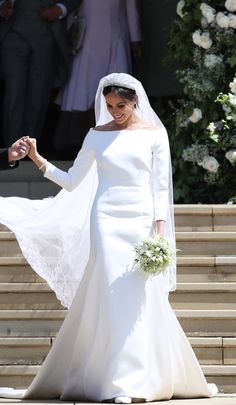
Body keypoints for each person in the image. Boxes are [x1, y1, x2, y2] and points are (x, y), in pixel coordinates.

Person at [0, 73, 217, 402]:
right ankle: (117, 383)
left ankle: (138, 377)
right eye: (109, 105)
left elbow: (159, 185)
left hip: (141, 220)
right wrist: (37, 159)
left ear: (134, 102)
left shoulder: (155, 135)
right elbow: (73, 180)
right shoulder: (96, 136)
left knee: (136, 295)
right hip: (104, 219)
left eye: (121, 105)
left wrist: (159, 230)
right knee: (109, 292)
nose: (115, 111)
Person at [53, 0, 142, 155]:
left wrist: (135, 38)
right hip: (86, 35)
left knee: (113, 90)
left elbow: (131, 8)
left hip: (115, 36)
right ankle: (82, 142)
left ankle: (111, 142)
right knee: (83, 90)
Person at [0, 0, 82, 146]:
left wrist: (60, 9)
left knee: (38, 93)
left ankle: (29, 147)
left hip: (46, 31)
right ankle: (11, 146)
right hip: (13, 29)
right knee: (14, 88)